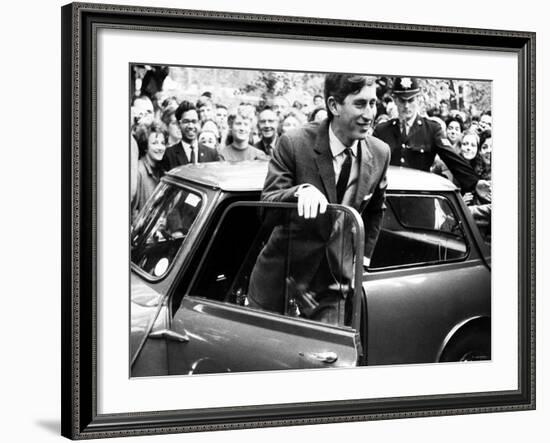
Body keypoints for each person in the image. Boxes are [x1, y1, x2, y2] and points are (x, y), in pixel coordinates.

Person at [248, 73, 390, 325]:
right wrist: (299, 192)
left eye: (373, 103)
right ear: (334, 105)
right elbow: (266, 210)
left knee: (328, 360)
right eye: (359, 104)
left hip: (333, 289)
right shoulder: (294, 143)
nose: (369, 114)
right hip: (280, 284)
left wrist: (362, 260)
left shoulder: (380, 152)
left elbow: (375, 209)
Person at [373, 77, 478, 193]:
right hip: (389, 200)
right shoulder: (382, 131)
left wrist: (475, 183)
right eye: (402, 101)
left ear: (418, 99)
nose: (406, 106)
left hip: (421, 199)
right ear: (395, 100)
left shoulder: (432, 129)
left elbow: (452, 158)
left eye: (411, 100)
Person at [161, 100, 219, 170]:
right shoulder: (169, 154)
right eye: (186, 121)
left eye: (194, 121)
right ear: (179, 124)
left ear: (199, 124)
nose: (190, 126)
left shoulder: (211, 154)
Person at [131, 121, 168, 223]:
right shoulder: (138, 171)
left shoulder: (162, 170)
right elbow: (131, 212)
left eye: (162, 143)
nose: (160, 148)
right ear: (145, 146)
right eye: (154, 143)